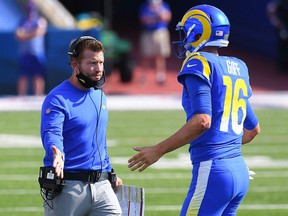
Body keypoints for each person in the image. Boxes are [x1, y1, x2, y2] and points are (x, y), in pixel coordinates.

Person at [128, 4, 260, 216]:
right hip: (239, 171)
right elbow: (253, 129)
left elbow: (202, 120)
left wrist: (159, 149)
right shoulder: (238, 67)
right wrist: (227, 153)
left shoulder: (199, 62)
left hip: (214, 171)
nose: (184, 36)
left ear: (198, 31)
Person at [40, 36, 122, 215]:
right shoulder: (57, 98)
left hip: (102, 185)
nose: (99, 69)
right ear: (74, 64)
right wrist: (57, 152)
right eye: (92, 63)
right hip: (68, 185)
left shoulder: (99, 95)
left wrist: (109, 172)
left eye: (101, 62)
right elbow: (51, 131)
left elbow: (99, 140)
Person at [15, 0, 47, 95]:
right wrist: (32, 33)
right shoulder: (22, 21)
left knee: (38, 76)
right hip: (25, 52)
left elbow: (40, 32)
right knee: (23, 76)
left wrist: (26, 34)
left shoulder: (40, 20)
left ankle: (38, 96)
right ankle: (21, 96)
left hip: (37, 53)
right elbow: (18, 35)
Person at [138, 0, 172, 84]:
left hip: (160, 32)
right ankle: (144, 76)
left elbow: (167, 17)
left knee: (160, 55)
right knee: (146, 55)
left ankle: (160, 76)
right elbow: (143, 19)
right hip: (148, 32)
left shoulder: (164, 5)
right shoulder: (145, 6)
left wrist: (160, 15)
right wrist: (154, 18)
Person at [267, 0, 288, 74]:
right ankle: (282, 67)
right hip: (283, 29)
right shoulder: (282, 2)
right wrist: (276, 23)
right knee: (283, 47)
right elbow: (270, 9)